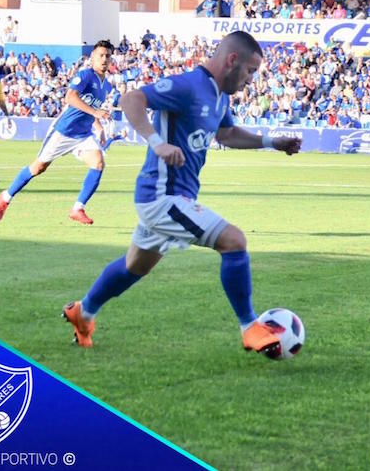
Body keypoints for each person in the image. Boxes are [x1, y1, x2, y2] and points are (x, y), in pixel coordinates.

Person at [61, 31, 302, 354]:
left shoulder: (220, 95)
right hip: (162, 196)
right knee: (234, 241)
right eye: (250, 71)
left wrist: (273, 142)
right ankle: (250, 327)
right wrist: (157, 143)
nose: (250, 80)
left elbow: (227, 134)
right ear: (232, 60)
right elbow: (131, 99)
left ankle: (83, 312)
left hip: (176, 197)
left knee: (135, 266)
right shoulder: (189, 86)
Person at [0, 40, 115, 225]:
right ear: (93, 57)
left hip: (83, 134)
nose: (104, 59)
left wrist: (98, 125)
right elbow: (70, 97)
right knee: (38, 168)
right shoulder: (85, 75)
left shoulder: (107, 86)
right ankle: (6, 197)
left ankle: (77, 208)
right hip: (64, 131)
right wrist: (95, 113)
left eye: (107, 56)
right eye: (101, 55)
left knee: (98, 163)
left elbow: (91, 106)